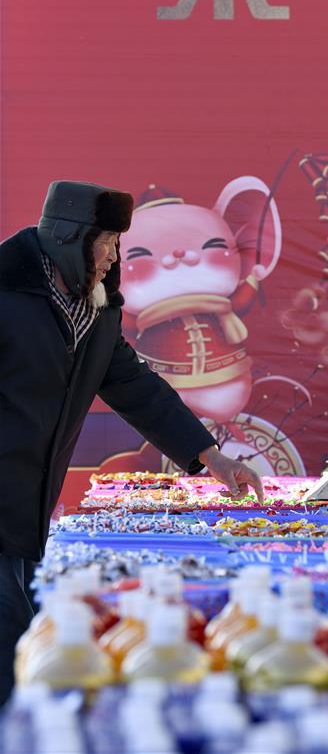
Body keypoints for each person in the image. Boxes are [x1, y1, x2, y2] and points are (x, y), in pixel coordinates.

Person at [0, 180, 264, 704]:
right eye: (106, 243)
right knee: (11, 633)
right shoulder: (6, 296)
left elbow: (134, 386)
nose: (112, 256)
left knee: (22, 632)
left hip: (29, 505)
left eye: (118, 244)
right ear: (70, 239)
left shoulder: (94, 309)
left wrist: (208, 454)